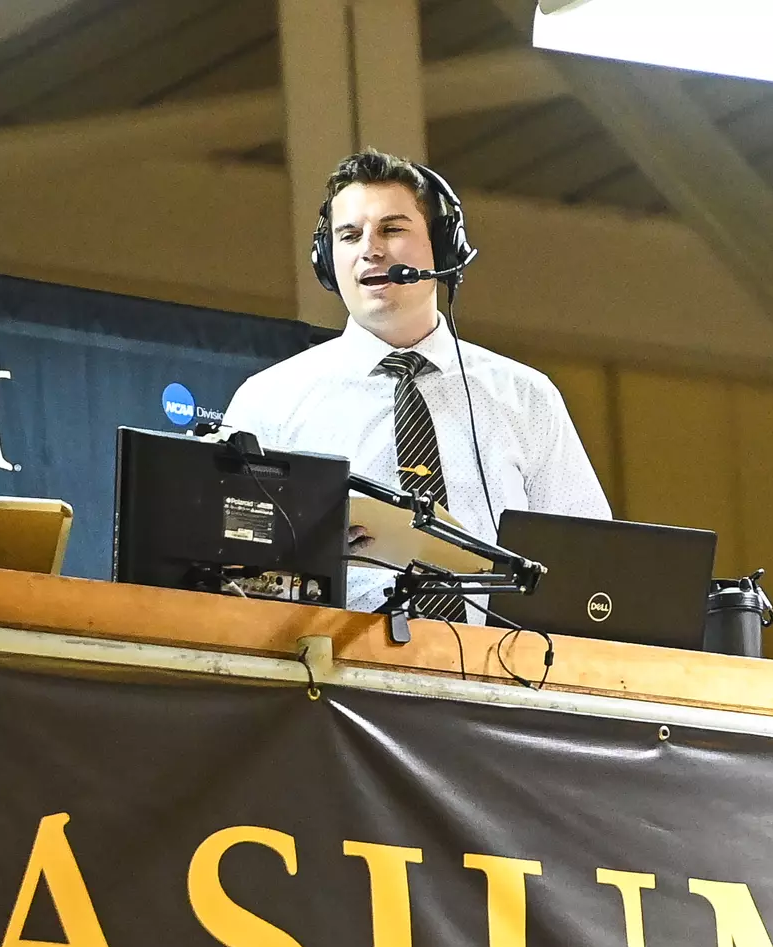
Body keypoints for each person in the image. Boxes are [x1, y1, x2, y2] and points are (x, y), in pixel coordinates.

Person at [221, 148, 610, 619]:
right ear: (327, 260)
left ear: (443, 248)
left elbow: (588, 561)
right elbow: (225, 565)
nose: (370, 249)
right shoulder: (269, 400)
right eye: (349, 235)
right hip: (328, 656)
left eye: (392, 229)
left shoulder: (526, 397)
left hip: (502, 660)